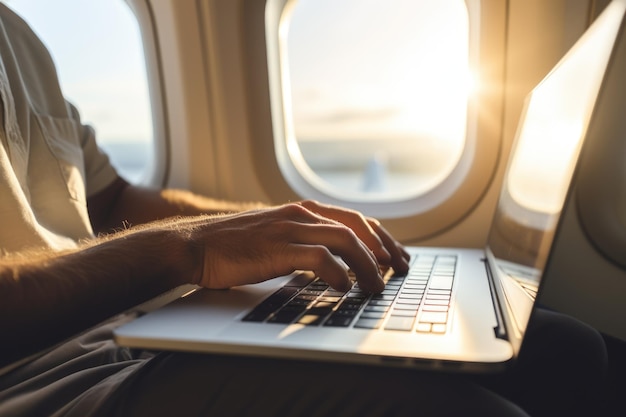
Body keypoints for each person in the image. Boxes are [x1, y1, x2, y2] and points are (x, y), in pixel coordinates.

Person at [0, 3, 607, 416]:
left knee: (566, 349)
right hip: (40, 381)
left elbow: (109, 201)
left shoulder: (20, 37)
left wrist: (287, 225)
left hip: (124, 324)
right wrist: (190, 248)